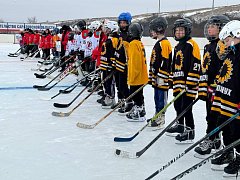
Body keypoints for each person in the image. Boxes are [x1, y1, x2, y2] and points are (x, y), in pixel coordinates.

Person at [194, 15, 230, 158]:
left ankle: (213, 140)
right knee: (210, 115)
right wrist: (203, 88)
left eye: (213, 26)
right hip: (209, 89)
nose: (209, 29)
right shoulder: (208, 46)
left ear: (221, 28)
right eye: (208, 26)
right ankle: (213, 140)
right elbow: (205, 68)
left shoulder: (223, 46)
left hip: (219, 90)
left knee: (217, 117)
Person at [209, 20, 240, 177]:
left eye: (228, 40)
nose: (227, 44)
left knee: (237, 132)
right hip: (225, 100)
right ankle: (228, 153)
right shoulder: (232, 54)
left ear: (237, 35)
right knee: (226, 128)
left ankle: (239, 159)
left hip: (235, 102)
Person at [166, 18, 201, 143]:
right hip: (178, 83)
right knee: (177, 105)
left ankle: (190, 132)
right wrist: (171, 79)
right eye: (177, 30)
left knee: (187, 108)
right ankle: (180, 126)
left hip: (188, 85)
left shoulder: (192, 44)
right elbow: (174, 65)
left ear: (187, 31)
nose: (179, 33)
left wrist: (191, 82)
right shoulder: (177, 46)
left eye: (181, 30)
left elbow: (196, 64)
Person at [148, 16, 172, 128]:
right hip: (157, 77)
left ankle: (161, 119)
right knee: (156, 97)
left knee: (161, 98)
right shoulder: (159, 43)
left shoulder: (164, 44)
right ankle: (156, 115)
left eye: (153, 29)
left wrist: (161, 76)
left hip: (162, 78)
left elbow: (166, 62)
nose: (151, 32)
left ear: (159, 29)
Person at [126, 22, 148, 122]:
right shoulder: (139, 43)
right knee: (139, 94)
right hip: (142, 75)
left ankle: (139, 112)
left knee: (135, 94)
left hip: (136, 76)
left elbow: (135, 61)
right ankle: (141, 110)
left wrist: (132, 77)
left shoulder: (133, 44)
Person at [114, 12, 133, 114]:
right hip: (118, 63)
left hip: (125, 65)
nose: (122, 25)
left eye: (124, 23)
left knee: (123, 85)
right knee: (119, 84)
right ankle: (121, 100)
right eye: (121, 23)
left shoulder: (130, 35)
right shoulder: (118, 34)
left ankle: (129, 102)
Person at [99, 20, 119, 108]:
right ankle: (107, 95)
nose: (105, 30)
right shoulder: (108, 39)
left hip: (109, 66)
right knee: (105, 81)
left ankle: (111, 98)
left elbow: (115, 53)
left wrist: (112, 64)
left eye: (107, 29)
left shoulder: (115, 40)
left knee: (110, 82)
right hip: (104, 65)